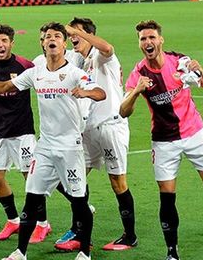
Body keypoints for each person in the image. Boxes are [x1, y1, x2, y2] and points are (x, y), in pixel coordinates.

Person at [0, 22, 106, 260]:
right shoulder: (35, 72)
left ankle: (84, 252)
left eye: (57, 36)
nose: (52, 39)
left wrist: (86, 92)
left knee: (79, 201)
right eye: (48, 36)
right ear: (43, 43)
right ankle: (20, 252)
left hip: (70, 147)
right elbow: (7, 85)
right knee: (32, 198)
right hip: (45, 147)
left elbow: (100, 92)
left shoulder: (74, 73)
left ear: (63, 43)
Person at [119, 20, 203, 260]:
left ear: (161, 40)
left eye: (151, 37)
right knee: (167, 196)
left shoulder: (181, 62)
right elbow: (123, 111)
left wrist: (200, 71)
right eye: (143, 39)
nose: (147, 42)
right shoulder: (138, 73)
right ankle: (172, 253)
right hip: (164, 142)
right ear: (139, 44)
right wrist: (136, 91)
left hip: (195, 133)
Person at [57, 18, 135, 252]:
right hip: (90, 128)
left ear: (89, 34)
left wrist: (80, 33)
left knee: (117, 182)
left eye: (77, 33)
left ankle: (129, 236)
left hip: (111, 126)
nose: (72, 37)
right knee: (72, 179)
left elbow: (108, 47)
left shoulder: (103, 56)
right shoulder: (84, 61)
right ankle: (82, 226)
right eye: (71, 33)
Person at [0, 25, 38, 242]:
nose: (0, 45)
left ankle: (42, 223)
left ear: (12, 42)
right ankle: (13, 220)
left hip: (23, 131)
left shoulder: (25, 65)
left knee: (31, 180)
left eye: (4, 41)